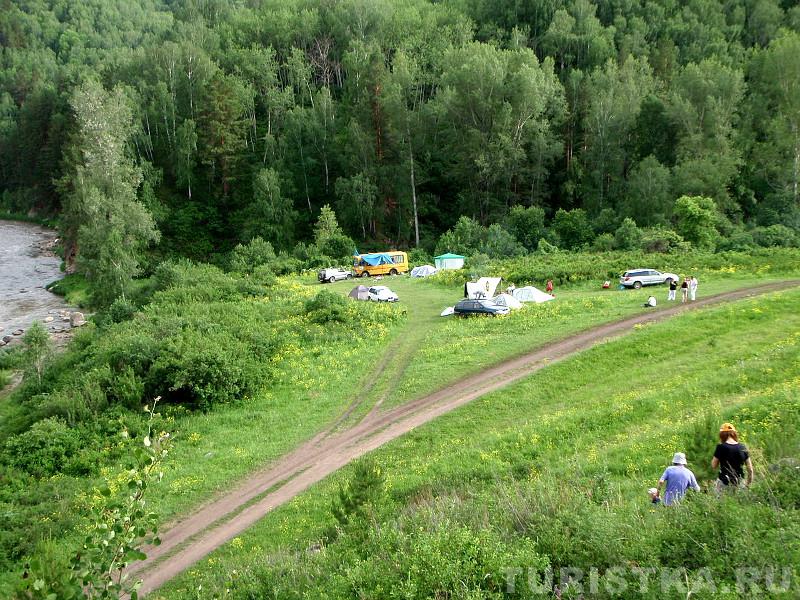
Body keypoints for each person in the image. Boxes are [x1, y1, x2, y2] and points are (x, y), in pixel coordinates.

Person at [712, 423, 753, 492]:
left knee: (721, 502)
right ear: (734, 434)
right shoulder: (743, 447)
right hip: (740, 483)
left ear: (722, 435)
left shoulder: (721, 447)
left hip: (724, 482)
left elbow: (713, 466)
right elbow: (750, 470)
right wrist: (748, 484)